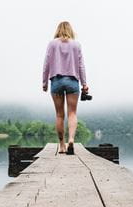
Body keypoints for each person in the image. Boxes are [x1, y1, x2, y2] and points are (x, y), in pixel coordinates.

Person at [42, 21, 89, 155]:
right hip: (73, 81)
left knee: (59, 114)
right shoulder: (76, 45)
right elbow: (81, 66)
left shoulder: (52, 44)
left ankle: (62, 145)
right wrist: (84, 84)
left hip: (56, 81)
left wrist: (44, 82)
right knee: (72, 113)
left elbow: (46, 64)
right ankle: (72, 140)